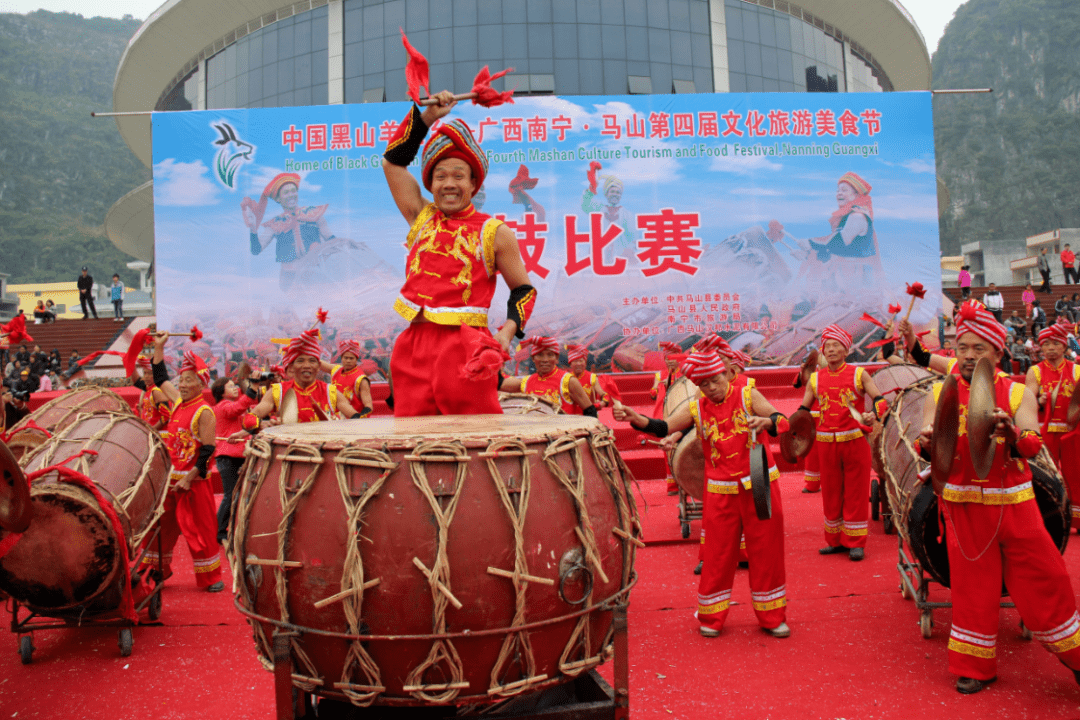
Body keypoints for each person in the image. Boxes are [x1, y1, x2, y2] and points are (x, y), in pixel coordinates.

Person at [916, 302, 1080, 694]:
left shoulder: (1019, 391)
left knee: (1047, 576)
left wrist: (1012, 435)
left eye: (979, 348)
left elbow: (1032, 442)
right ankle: (975, 666)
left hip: (1014, 502)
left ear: (998, 351)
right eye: (962, 347)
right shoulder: (940, 391)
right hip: (964, 504)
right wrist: (926, 442)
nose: (969, 355)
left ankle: (1074, 656)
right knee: (973, 586)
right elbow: (929, 444)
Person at [614, 351, 791, 639]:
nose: (711, 387)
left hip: (758, 481)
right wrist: (637, 418)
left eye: (715, 379)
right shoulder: (698, 407)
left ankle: (772, 616)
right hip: (720, 489)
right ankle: (712, 616)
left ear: (726, 374)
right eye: (704, 383)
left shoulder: (748, 395)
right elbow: (665, 427)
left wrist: (768, 424)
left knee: (766, 550)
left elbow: (782, 419)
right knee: (717, 555)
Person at [381, 89, 535, 417]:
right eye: (440, 176)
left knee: (473, 437)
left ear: (473, 183)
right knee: (412, 438)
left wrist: (508, 332)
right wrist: (427, 117)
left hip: (468, 346)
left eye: (458, 176)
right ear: (430, 184)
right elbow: (392, 162)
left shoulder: (495, 232)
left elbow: (523, 289)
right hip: (414, 345)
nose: (449, 183)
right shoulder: (420, 216)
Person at [140, 334, 223, 592]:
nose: (183, 384)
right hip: (170, 482)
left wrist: (188, 479)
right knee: (159, 526)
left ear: (201, 384)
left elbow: (208, 451)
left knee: (201, 531)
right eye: (182, 380)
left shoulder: (204, 411)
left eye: (189, 380)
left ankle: (211, 578)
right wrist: (159, 347)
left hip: (193, 483)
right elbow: (160, 375)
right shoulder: (177, 402)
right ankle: (155, 571)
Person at [798, 324, 888, 561]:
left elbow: (879, 400)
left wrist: (874, 415)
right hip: (826, 443)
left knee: (856, 492)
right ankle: (835, 540)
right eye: (827, 346)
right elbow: (803, 411)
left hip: (854, 442)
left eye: (836, 346)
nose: (831, 350)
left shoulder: (859, 374)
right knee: (830, 493)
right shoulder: (816, 379)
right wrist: (786, 427)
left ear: (846, 350)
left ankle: (855, 541)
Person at [241, 328, 364, 427]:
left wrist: (340, 426)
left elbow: (355, 419)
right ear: (291, 368)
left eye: (312, 361)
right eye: (300, 361)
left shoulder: (331, 392)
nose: (307, 366)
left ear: (318, 366)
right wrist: (262, 425)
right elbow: (249, 419)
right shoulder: (277, 391)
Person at [1024, 322, 1080, 526]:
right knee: (1046, 474)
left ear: (1064, 346)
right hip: (1045, 430)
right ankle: (1050, 518)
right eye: (1045, 344)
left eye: (1055, 344)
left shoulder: (1076, 371)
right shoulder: (1035, 371)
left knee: (1076, 474)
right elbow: (1027, 399)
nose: (1050, 348)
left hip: (1072, 430)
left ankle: (1077, 519)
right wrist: (1039, 400)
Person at [243, 173, 336, 291]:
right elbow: (256, 250)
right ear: (278, 199)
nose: (291, 195)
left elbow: (331, 239)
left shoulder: (314, 214)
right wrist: (253, 229)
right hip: (290, 281)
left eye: (293, 191)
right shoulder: (275, 224)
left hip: (318, 276)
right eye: (286, 193)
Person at [211, 375, 257, 546]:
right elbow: (239, 407)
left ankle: (231, 529)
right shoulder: (223, 406)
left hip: (238, 456)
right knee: (231, 495)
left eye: (235, 385)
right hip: (228, 457)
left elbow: (250, 422)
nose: (235, 388)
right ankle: (220, 531)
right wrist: (252, 388)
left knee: (238, 495)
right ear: (221, 392)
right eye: (230, 386)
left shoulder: (233, 407)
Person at [499, 336, 597, 416]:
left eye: (550, 355)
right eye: (540, 355)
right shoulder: (526, 381)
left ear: (557, 358)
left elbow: (590, 411)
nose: (545, 360)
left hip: (563, 437)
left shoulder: (569, 381)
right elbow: (498, 383)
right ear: (533, 358)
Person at [321, 340, 373, 418]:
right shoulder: (336, 370)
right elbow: (318, 363)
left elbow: (368, 405)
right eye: (346, 358)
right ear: (341, 358)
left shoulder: (361, 379)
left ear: (356, 359)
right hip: (335, 418)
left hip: (352, 418)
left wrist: (360, 418)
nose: (348, 361)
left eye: (351, 358)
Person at [566, 344, 609, 409]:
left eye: (581, 361)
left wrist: (601, 404)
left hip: (589, 414)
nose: (578, 364)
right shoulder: (565, 378)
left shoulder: (592, 377)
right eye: (575, 361)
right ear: (570, 364)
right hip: (571, 415)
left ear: (585, 363)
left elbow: (605, 395)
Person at [132, 355, 170, 431]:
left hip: (159, 435)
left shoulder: (156, 391)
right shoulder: (148, 388)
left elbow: (167, 416)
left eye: (150, 373)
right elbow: (137, 381)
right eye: (145, 373)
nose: (146, 376)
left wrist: (152, 430)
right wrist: (131, 363)